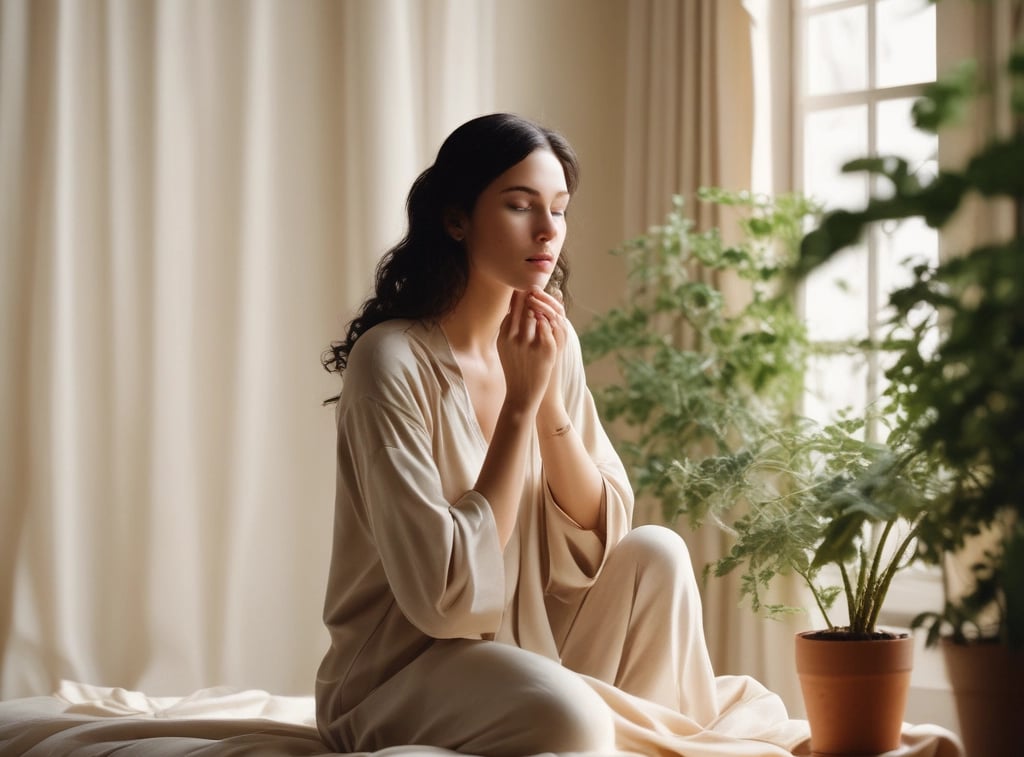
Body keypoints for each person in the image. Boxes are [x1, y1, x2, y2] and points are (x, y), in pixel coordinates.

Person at [315, 113, 803, 757]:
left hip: (529, 647)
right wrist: (518, 406)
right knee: (572, 720)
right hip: (404, 672)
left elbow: (600, 535)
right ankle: (632, 730)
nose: (548, 231)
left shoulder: (551, 340)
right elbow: (442, 600)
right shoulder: (392, 362)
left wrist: (542, 392)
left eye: (560, 209)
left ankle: (621, 728)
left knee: (658, 552)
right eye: (520, 206)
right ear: (457, 218)